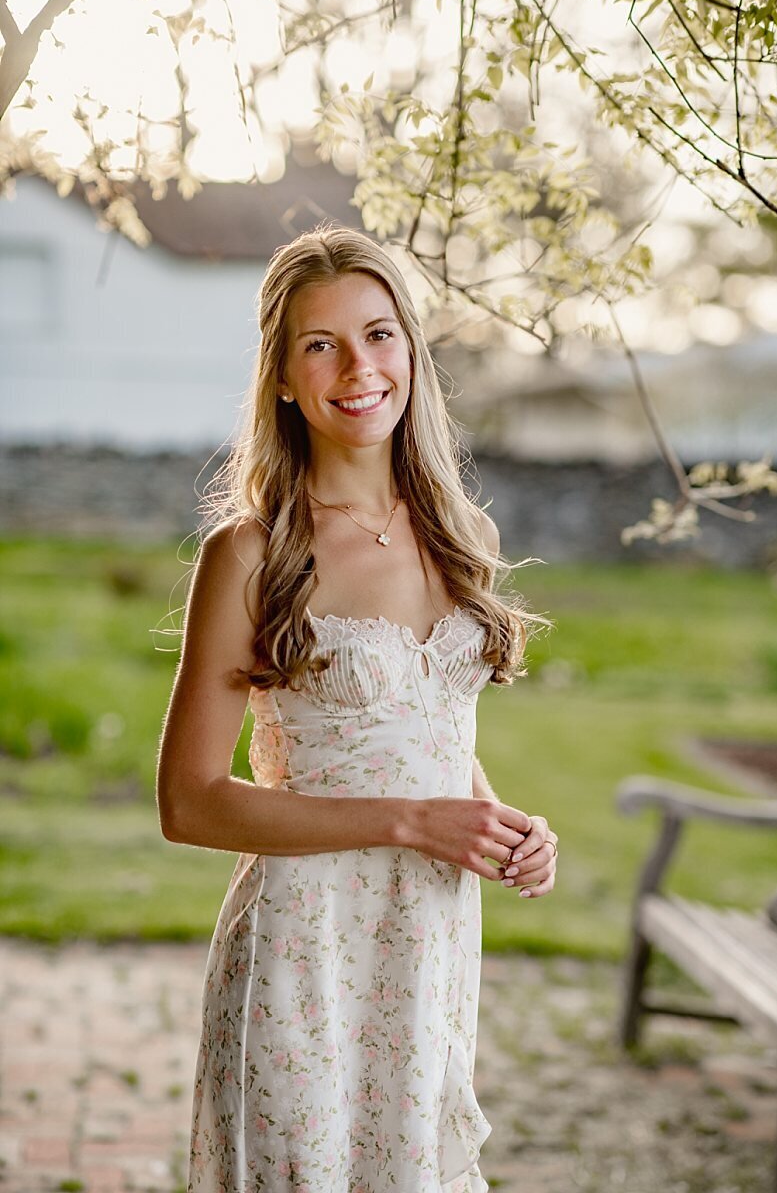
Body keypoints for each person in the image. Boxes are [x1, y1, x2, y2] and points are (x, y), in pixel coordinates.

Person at [156, 224, 558, 1193]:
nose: (356, 368)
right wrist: (408, 820)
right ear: (283, 379)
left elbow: (419, 728)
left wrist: (497, 823)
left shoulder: (462, 537)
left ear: (411, 353)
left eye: (378, 335)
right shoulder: (250, 556)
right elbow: (190, 801)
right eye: (319, 344)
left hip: (424, 949)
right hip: (304, 953)